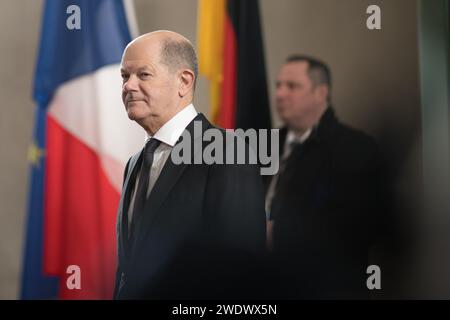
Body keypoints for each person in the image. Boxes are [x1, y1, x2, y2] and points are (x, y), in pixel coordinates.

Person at [114, 31, 266, 299]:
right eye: (125, 76)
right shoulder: (135, 163)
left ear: (184, 82)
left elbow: (241, 272)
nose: (128, 86)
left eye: (143, 75)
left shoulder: (228, 152)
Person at [266, 55, 385, 299]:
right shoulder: (264, 145)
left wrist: (276, 232)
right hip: (266, 284)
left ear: (321, 93)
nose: (280, 94)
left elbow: (360, 227)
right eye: (278, 85)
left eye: (292, 86)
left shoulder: (355, 147)